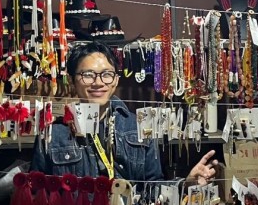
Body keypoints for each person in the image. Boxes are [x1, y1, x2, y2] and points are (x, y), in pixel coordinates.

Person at [31, 41, 218, 184]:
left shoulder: (138, 126)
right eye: (87, 75)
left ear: (115, 80)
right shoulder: (52, 133)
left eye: (106, 74)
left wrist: (186, 184)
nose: (98, 82)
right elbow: (36, 192)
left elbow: (152, 187)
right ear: (72, 81)